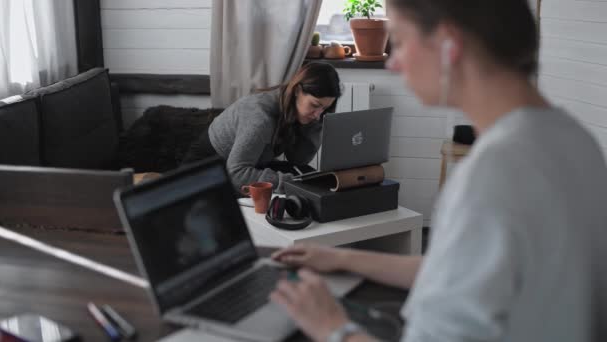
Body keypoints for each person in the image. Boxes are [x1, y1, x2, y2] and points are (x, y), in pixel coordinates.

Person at [269, 0, 607, 341]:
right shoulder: (574, 139)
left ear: (449, 45)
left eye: (399, 41)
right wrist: (342, 258)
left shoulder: (492, 175)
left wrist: (333, 328)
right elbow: (463, 271)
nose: (395, 64)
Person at [182, 62, 341, 193]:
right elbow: (236, 173)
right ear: (298, 91)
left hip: (249, 163)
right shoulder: (260, 118)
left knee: (307, 174)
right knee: (301, 183)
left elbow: (298, 159)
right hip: (206, 172)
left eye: (325, 108)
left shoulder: (296, 109)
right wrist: (290, 183)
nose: (318, 115)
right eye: (315, 105)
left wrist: (313, 123)